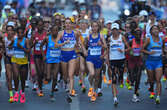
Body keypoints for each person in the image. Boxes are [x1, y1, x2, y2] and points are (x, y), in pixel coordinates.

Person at [55, 18, 80, 100]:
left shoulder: (75, 33)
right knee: (65, 76)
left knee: (71, 75)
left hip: (72, 55)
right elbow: (56, 44)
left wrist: (77, 47)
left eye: (69, 23)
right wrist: (63, 43)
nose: (68, 25)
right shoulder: (61, 33)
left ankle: (70, 92)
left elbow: (77, 42)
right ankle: (65, 82)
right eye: (66, 23)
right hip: (63, 55)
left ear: (72, 24)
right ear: (64, 24)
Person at [82, 21, 107, 102]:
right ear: (91, 27)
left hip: (98, 59)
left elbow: (106, 47)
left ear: (98, 28)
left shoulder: (101, 36)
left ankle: (94, 93)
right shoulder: (88, 37)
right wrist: (84, 51)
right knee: (92, 73)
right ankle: (90, 87)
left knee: (97, 78)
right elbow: (83, 45)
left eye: (96, 26)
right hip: (90, 58)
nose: (94, 28)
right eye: (93, 26)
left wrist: (101, 45)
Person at [108, 23, 130, 105]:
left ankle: (120, 78)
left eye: (116, 29)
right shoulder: (109, 39)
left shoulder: (122, 37)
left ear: (118, 30)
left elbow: (129, 48)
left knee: (120, 77)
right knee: (113, 78)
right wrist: (107, 60)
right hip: (113, 60)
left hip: (121, 59)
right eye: (113, 29)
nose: (114, 31)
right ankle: (115, 98)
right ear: (111, 30)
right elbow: (107, 49)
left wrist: (123, 51)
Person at [143, 25, 163, 104]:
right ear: (151, 32)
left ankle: (158, 97)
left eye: (157, 29)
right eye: (154, 29)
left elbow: (163, 48)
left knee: (158, 80)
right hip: (150, 62)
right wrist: (149, 52)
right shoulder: (148, 40)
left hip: (158, 62)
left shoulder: (162, 39)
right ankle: (151, 89)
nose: (155, 30)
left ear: (159, 31)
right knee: (151, 80)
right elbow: (142, 49)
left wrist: (164, 52)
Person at [40, 25, 61, 101]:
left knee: (55, 77)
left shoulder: (60, 38)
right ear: (51, 31)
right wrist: (43, 55)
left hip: (57, 60)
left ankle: (52, 93)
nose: (55, 32)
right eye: (53, 30)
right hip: (49, 59)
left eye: (56, 30)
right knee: (48, 77)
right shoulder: (47, 38)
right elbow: (41, 46)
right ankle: (44, 81)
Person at [11, 27, 30, 103]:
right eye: (18, 33)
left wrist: (21, 47)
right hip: (15, 60)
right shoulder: (14, 40)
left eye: (21, 33)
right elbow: (9, 46)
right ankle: (16, 92)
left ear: (23, 33)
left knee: (22, 79)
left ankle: (22, 93)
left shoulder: (26, 40)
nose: (20, 34)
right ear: (16, 33)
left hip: (23, 61)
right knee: (15, 76)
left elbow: (28, 51)